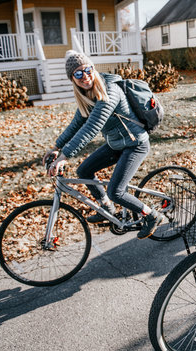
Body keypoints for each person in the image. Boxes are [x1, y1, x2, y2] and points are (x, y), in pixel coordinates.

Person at [42, 50, 162, 239]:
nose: (85, 76)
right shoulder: (86, 95)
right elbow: (76, 124)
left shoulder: (109, 91)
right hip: (116, 144)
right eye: (78, 73)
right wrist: (56, 147)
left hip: (135, 144)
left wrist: (65, 156)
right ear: (72, 78)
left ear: (93, 69)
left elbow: (91, 127)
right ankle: (106, 207)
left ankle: (152, 215)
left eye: (87, 69)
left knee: (116, 191)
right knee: (84, 171)